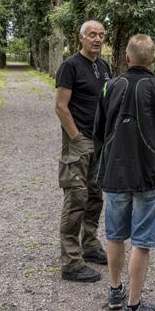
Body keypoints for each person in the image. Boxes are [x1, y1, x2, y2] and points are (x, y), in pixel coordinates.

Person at [93, 34, 155, 311]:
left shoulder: (110, 86)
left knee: (115, 235)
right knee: (141, 241)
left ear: (127, 58)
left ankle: (116, 290)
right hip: (148, 176)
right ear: (154, 59)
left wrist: (103, 166)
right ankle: (133, 307)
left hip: (115, 174)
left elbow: (99, 133)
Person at [54, 20, 111, 282]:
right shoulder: (70, 66)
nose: (97, 39)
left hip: (99, 142)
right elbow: (61, 107)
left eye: (100, 35)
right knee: (76, 199)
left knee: (95, 196)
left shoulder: (103, 66)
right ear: (81, 38)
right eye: (92, 35)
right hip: (79, 143)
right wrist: (77, 138)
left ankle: (89, 245)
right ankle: (71, 262)